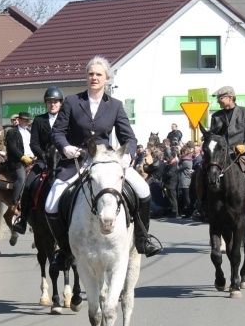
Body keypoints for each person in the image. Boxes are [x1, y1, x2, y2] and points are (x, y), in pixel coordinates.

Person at [45, 55, 161, 269]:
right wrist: (65, 147)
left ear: (107, 78)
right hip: (77, 160)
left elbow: (129, 137)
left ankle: (142, 239)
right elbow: (57, 132)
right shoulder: (72, 101)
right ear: (86, 77)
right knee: (50, 204)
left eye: (99, 74)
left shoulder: (115, 105)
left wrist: (127, 155)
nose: (94, 78)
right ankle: (65, 250)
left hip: (107, 161)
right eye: (90, 74)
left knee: (143, 189)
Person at [191, 86, 245, 223]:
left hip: (243, 154)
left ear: (230, 97)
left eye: (220, 98)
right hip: (221, 155)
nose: (218, 101)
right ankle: (201, 207)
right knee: (200, 174)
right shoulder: (216, 116)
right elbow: (214, 136)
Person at [14, 86, 64, 235]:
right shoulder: (39, 120)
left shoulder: (67, 119)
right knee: (28, 184)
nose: (52, 104)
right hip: (44, 160)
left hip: (64, 160)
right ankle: (23, 219)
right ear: (46, 103)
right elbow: (34, 143)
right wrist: (44, 155)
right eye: (49, 102)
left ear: (60, 103)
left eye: (55, 102)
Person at [4, 111, 34, 216]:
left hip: (32, 159)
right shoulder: (12, 132)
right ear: (19, 120)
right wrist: (23, 157)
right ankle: (14, 202)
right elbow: (12, 147)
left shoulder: (29, 132)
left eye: (27, 120)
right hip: (18, 161)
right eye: (24, 120)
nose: (26, 122)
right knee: (21, 178)